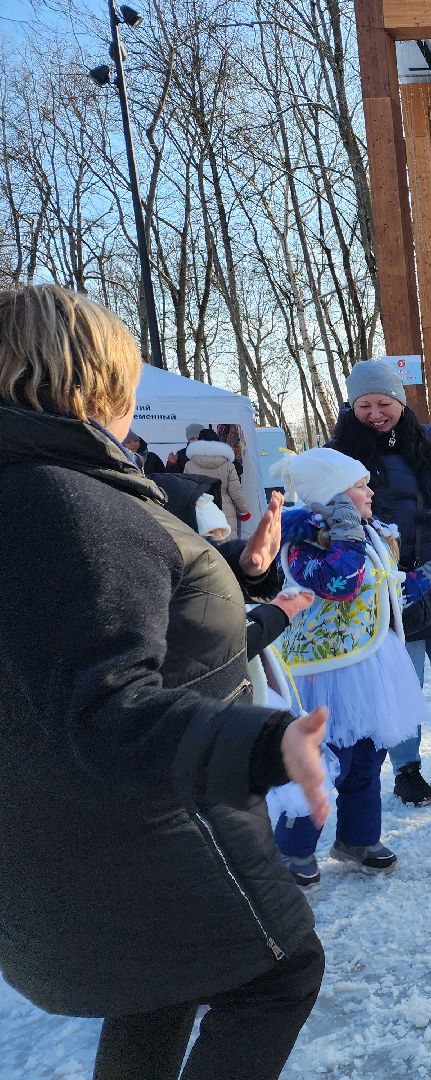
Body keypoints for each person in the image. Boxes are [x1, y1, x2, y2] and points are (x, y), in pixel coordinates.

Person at [0, 283, 330, 1080]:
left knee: (160, 991)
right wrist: (262, 741)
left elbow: (102, 635)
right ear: (92, 380)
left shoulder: (52, 484)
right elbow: (102, 702)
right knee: (280, 973)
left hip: (87, 830)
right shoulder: (61, 499)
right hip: (137, 824)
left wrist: (245, 583)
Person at [269, 447, 431, 887]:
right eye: (359, 486)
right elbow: (342, 585)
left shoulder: (369, 533)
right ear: (333, 497)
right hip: (325, 674)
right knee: (323, 761)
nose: (371, 492)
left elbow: (382, 595)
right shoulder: (303, 542)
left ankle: (358, 839)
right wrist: (344, 533)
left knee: (366, 756)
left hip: (370, 665)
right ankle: (293, 850)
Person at [328, 359, 431, 807]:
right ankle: (406, 769)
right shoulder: (341, 455)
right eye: (364, 405)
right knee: (407, 683)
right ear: (352, 406)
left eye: (384, 402)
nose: (376, 413)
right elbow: (328, 511)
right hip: (394, 587)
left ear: (401, 401)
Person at [185, 426, 251, 537]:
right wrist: (244, 511)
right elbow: (236, 492)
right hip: (225, 512)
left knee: (205, 549)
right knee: (227, 549)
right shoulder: (228, 464)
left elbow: (187, 491)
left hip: (200, 511)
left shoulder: (189, 465)